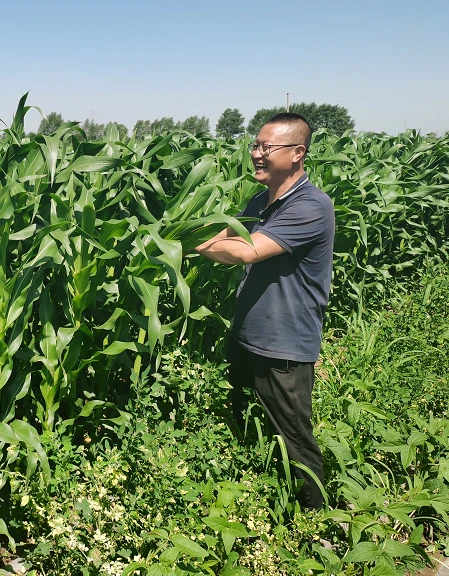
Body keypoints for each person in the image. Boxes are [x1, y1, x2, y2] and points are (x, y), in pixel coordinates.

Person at [194, 113, 335, 508]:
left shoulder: (311, 206)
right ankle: (259, 496)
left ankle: (315, 519)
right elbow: (224, 233)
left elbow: (244, 250)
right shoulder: (262, 199)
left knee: (294, 439)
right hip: (248, 333)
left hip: (283, 343)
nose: (256, 154)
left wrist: (201, 248)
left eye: (266, 148)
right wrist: (179, 242)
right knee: (244, 420)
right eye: (255, 145)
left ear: (297, 153)